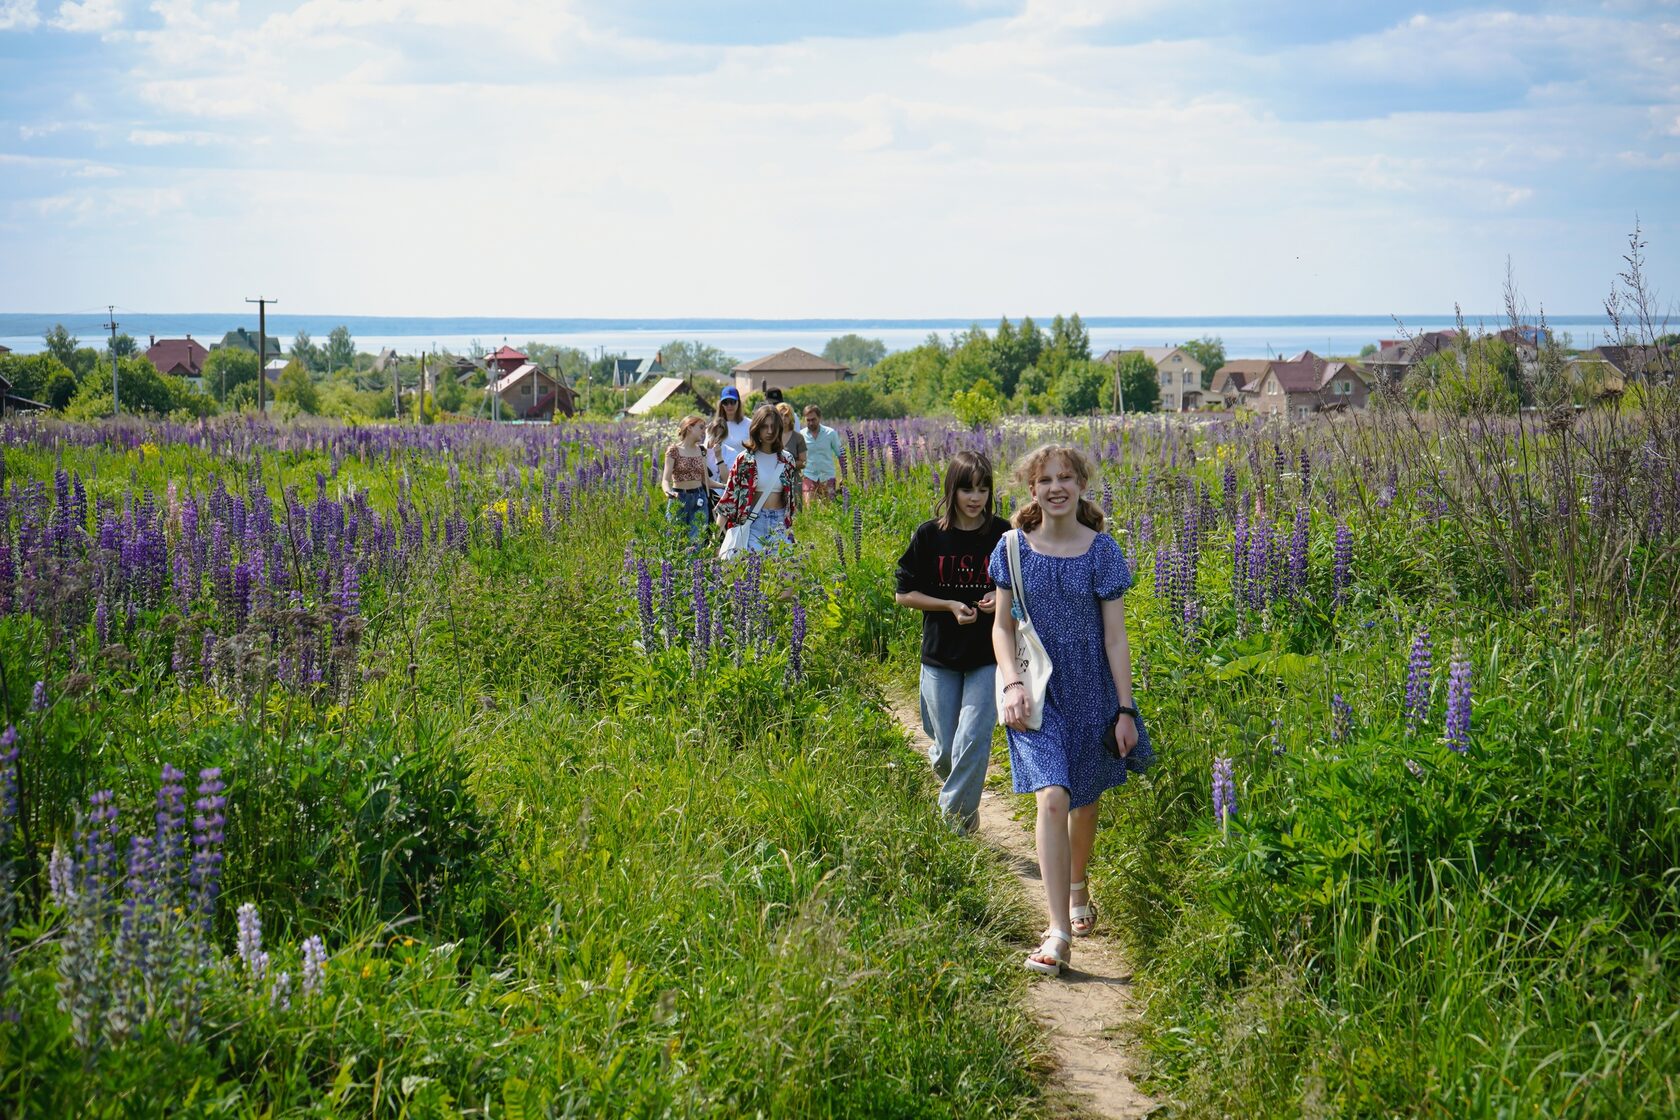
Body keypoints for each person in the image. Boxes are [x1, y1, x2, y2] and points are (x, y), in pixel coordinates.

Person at [990, 444, 1152, 977]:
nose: (1056, 487)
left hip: (1094, 693)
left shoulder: (1103, 551)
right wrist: (1011, 681)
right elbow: (1002, 625)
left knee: (1084, 802)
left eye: (1066, 478)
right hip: (1035, 694)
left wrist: (1125, 710)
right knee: (1054, 797)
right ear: (1031, 489)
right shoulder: (1012, 547)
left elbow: (1115, 638)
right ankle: (1057, 931)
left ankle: (1078, 881)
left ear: (1081, 485)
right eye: (1045, 479)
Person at [895, 451, 1010, 832]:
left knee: (974, 738)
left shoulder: (1002, 534)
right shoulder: (930, 535)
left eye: (982, 488)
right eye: (966, 488)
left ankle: (952, 826)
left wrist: (999, 599)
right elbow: (903, 593)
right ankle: (963, 806)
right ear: (952, 490)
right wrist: (947, 604)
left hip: (988, 655)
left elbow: (1020, 587)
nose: (975, 497)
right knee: (946, 751)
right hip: (941, 655)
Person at [713, 404, 796, 553]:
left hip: (779, 524)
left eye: (773, 426)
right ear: (756, 428)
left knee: (785, 574)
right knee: (753, 572)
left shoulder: (787, 460)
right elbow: (729, 499)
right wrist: (714, 540)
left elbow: (790, 501)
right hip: (752, 523)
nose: (770, 431)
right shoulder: (744, 459)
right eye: (765, 426)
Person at [661, 415, 716, 544]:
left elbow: (706, 481)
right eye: (701, 427)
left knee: (697, 543)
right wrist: (668, 492)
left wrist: (727, 485)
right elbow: (665, 480)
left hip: (699, 499)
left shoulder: (702, 451)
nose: (704, 431)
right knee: (674, 542)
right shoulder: (673, 451)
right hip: (678, 498)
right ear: (690, 428)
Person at [707, 387, 751, 496]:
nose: (729, 406)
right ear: (721, 405)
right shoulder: (714, 425)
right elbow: (706, 449)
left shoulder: (748, 424)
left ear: (738, 403)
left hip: (740, 474)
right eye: (725, 402)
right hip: (716, 477)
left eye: (732, 402)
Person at [800, 405, 845, 501]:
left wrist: (844, 476)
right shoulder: (801, 435)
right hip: (809, 476)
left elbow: (840, 455)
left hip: (827, 476)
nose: (811, 423)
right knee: (810, 508)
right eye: (808, 420)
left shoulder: (830, 433)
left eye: (813, 419)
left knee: (829, 509)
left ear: (819, 418)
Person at [775, 402, 808, 515]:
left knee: (795, 511)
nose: (784, 418)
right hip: (774, 478)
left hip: (793, 479)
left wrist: (787, 463)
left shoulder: (798, 437)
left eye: (786, 415)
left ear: (791, 418)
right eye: (781, 415)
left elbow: (803, 462)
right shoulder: (772, 436)